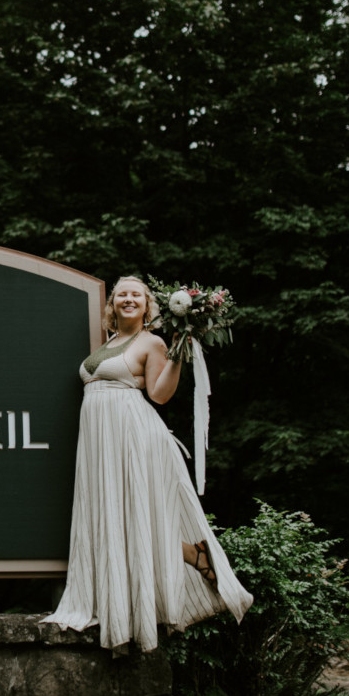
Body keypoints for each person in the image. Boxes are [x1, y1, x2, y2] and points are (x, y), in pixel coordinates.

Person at [43, 275, 253, 651]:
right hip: (100, 442)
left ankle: (153, 599)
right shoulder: (110, 342)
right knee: (115, 517)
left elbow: (159, 394)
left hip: (133, 437)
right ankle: (188, 555)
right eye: (121, 294)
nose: (127, 299)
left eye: (135, 295)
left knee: (136, 514)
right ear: (112, 305)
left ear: (147, 305)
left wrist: (178, 353)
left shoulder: (152, 342)